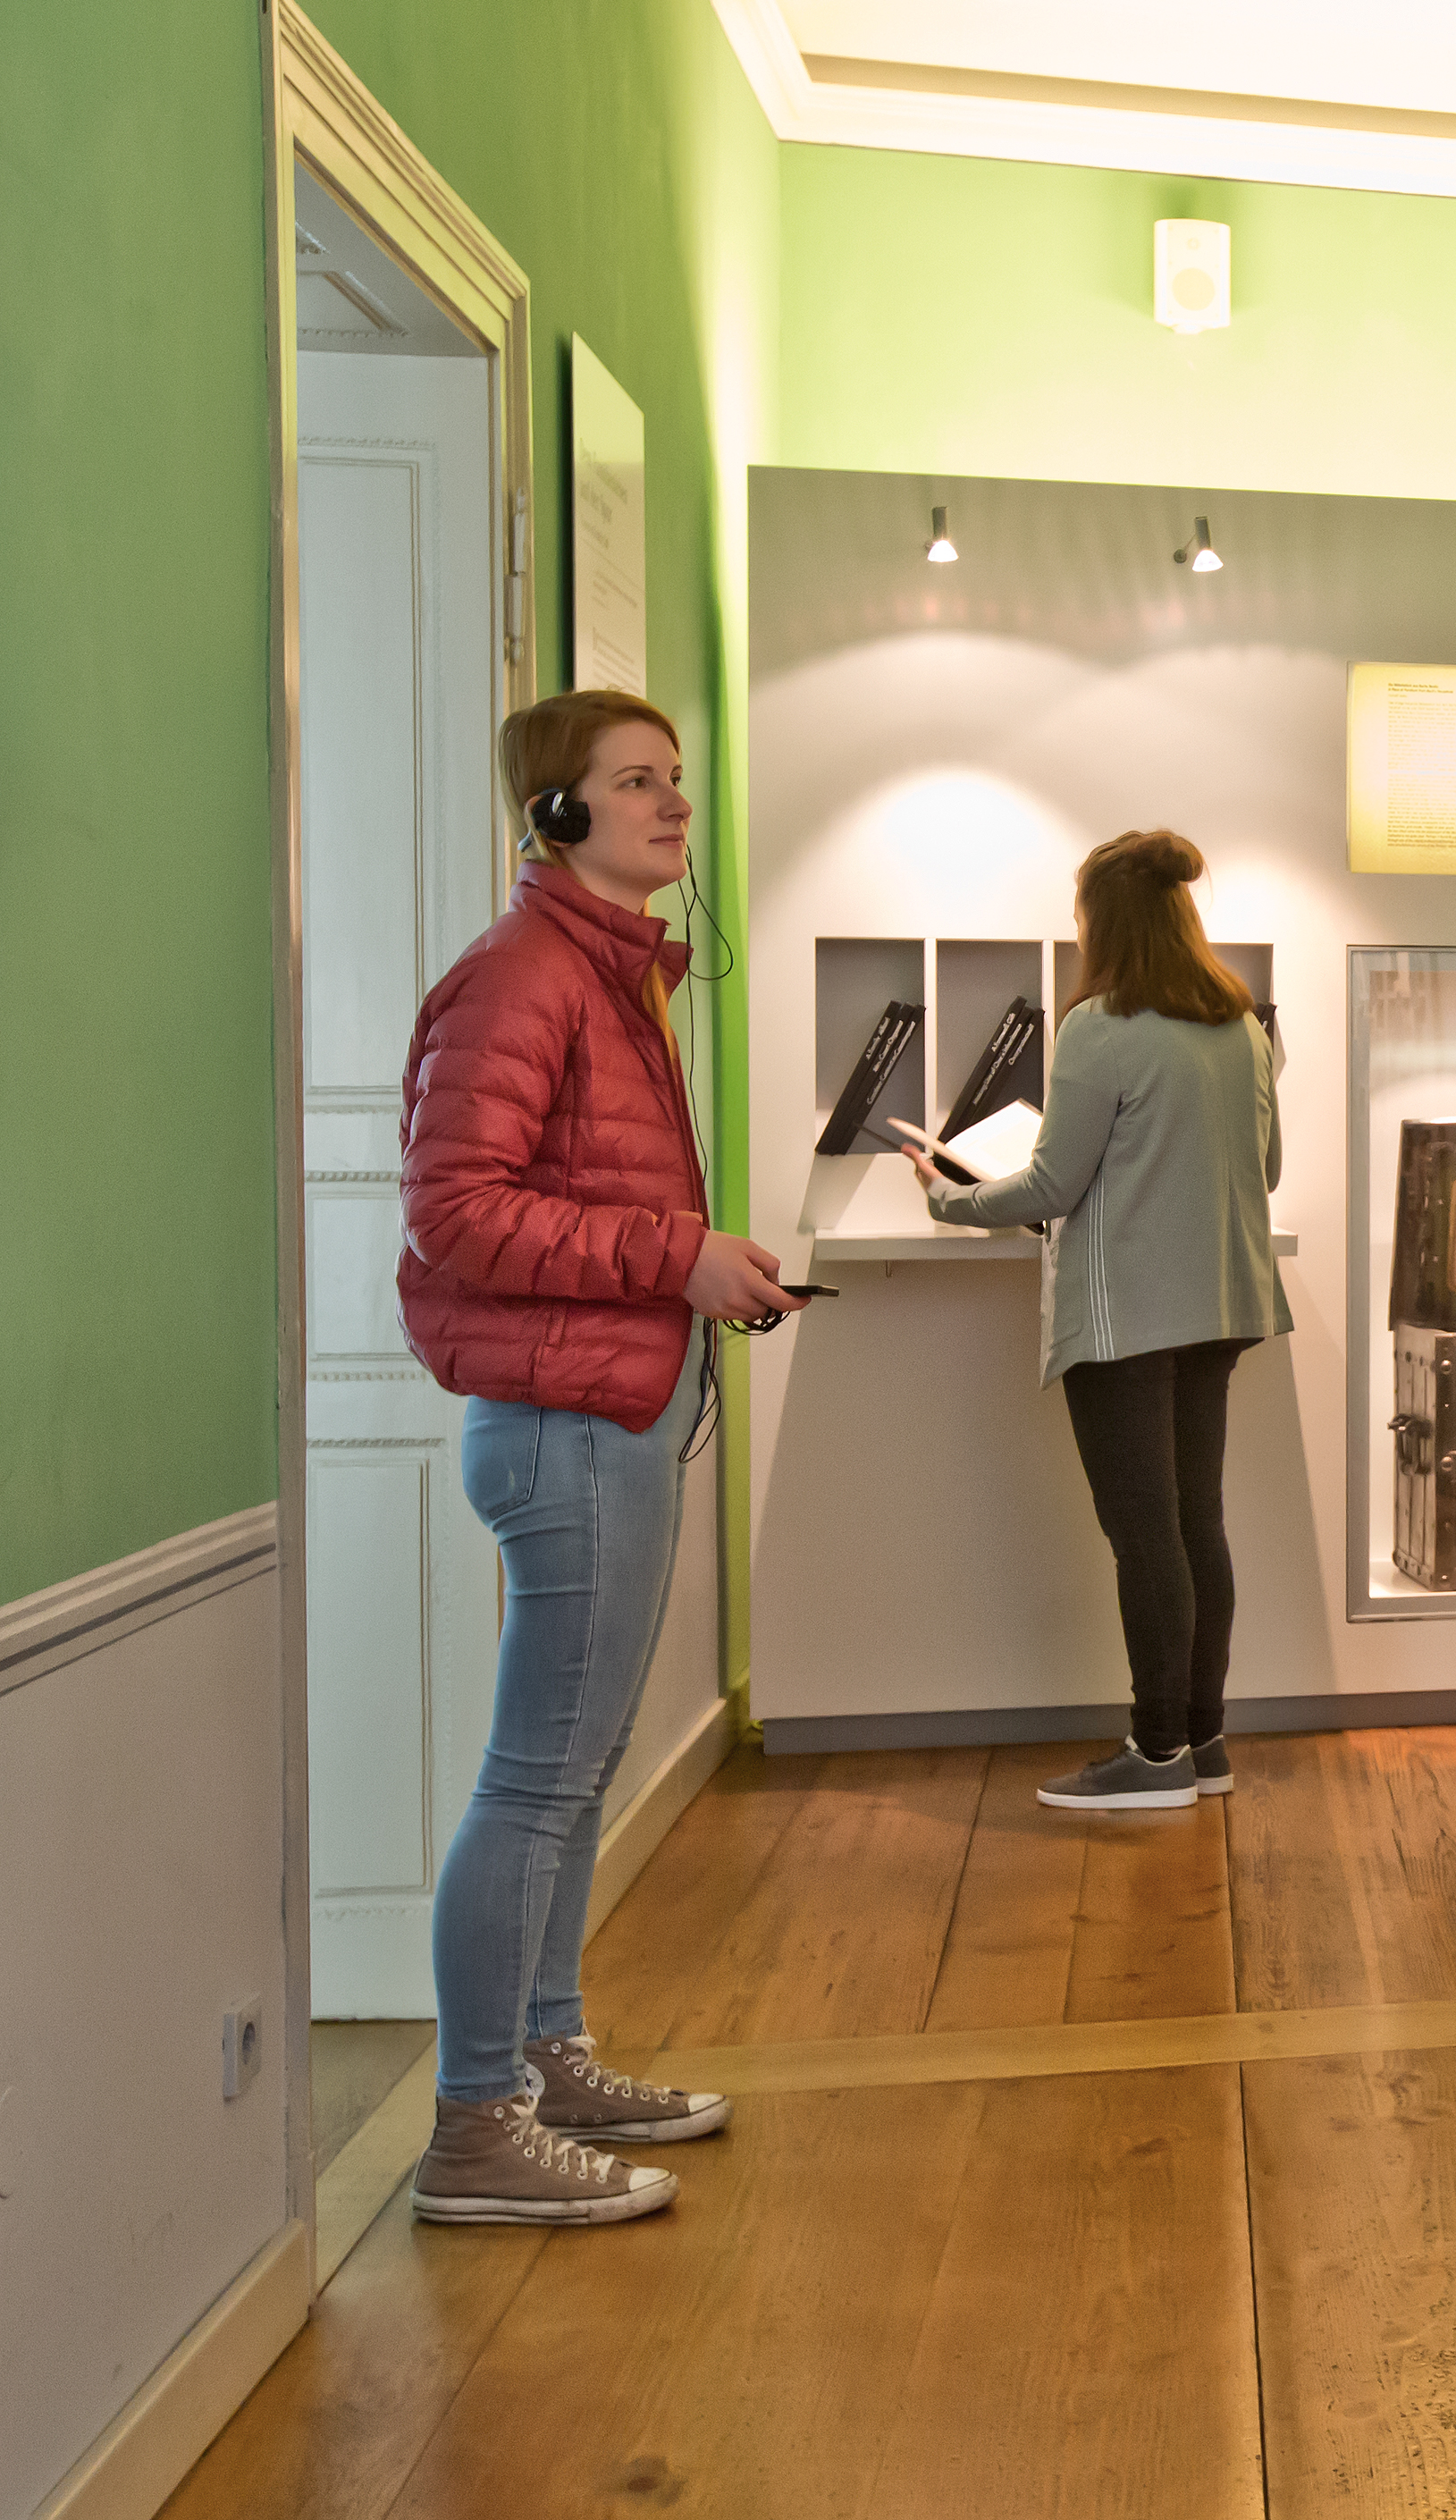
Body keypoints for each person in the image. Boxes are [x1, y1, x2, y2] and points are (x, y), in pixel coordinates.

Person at [399, 689, 793, 2226]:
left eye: (675, 780)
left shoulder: (610, 980)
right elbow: (459, 1213)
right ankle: (477, 2125)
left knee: (570, 1776)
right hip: (563, 1428)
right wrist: (671, 1256)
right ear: (552, 817)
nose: (672, 806)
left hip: (608, 1410)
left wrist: (695, 1274)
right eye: (636, 783)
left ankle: (543, 2053)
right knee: (537, 1779)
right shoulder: (519, 980)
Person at [899, 830, 1285, 1812]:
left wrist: (945, 1194)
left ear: (1098, 925)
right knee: (1197, 1525)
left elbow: (1053, 1182)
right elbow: (1264, 1173)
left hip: (1123, 1321)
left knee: (1144, 1537)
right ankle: (1201, 1745)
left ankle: (1152, 1755)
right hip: (1223, 1307)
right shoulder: (1242, 1028)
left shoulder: (1100, 1027)